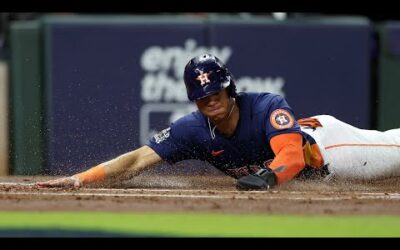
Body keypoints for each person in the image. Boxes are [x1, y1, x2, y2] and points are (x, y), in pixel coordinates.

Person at [36, 54, 400, 190]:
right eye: (202, 97)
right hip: (304, 172)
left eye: (217, 93)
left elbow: (291, 155)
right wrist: (81, 179)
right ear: (195, 100)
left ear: (230, 90)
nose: (211, 101)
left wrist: (267, 177)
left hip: (330, 151)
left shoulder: (266, 106)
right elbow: (136, 160)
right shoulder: (191, 129)